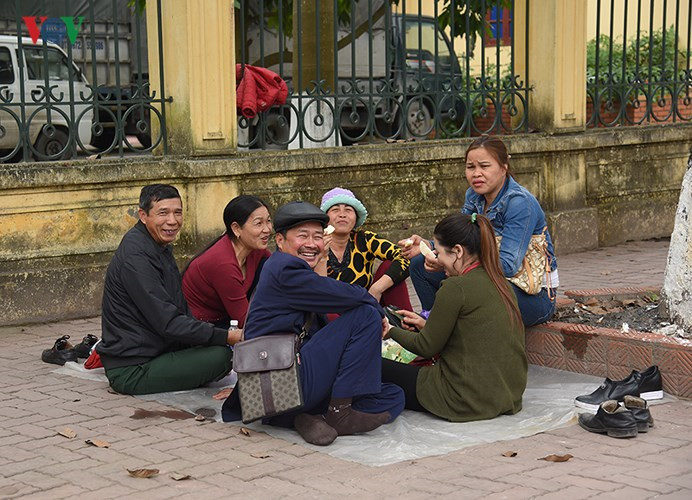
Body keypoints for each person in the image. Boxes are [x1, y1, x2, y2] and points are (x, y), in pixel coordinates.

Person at [222, 201, 404, 446]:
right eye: (302, 236)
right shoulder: (284, 268)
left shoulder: (287, 267)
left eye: (318, 236)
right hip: (281, 380)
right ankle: (338, 414)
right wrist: (374, 306)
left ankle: (305, 416)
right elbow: (340, 294)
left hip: (290, 385)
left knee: (394, 394)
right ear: (280, 240)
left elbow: (325, 304)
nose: (311, 244)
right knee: (365, 315)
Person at [97, 184, 241, 395]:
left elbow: (179, 310)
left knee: (217, 344)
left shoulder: (156, 246)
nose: (172, 221)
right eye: (163, 213)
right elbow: (169, 323)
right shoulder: (137, 258)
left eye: (178, 213)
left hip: (162, 347)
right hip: (133, 368)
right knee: (222, 356)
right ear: (143, 215)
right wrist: (228, 336)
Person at [400, 136, 559, 326]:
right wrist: (429, 246)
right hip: (487, 282)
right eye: (471, 167)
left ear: (503, 166)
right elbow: (458, 239)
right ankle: (436, 329)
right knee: (419, 265)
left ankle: (444, 329)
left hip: (531, 296)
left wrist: (447, 263)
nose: (477, 174)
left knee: (472, 288)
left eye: (484, 166)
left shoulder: (519, 203)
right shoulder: (474, 196)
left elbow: (507, 266)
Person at [383, 213, 527, 421]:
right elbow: (471, 333)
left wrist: (390, 330)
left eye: (438, 252)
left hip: (463, 399)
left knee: (375, 366)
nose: (436, 259)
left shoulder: (454, 287)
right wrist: (425, 325)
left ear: (457, 251)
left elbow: (426, 347)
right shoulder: (500, 281)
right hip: (508, 396)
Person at [182, 195, 272, 328]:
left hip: (230, 315)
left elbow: (280, 271)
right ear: (236, 229)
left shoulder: (255, 248)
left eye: (268, 221)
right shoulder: (223, 264)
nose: (267, 229)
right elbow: (245, 321)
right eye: (259, 223)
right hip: (204, 326)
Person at [320, 187, 412, 310]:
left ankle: (406, 324)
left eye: (348, 210)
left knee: (390, 266)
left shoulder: (365, 239)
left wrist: (377, 288)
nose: (342, 215)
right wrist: (321, 255)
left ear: (356, 218)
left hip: (366, 307)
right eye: (335, 210)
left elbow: (405, 256)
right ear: (325, 218)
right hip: (331, 311)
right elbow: (316, 289)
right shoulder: (315, 244)